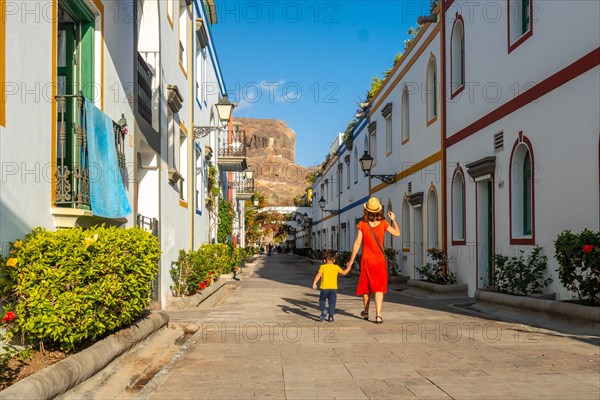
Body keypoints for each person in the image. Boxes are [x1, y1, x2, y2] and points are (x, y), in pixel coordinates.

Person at [346, 197, 400, 324]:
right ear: (379, 210)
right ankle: (378, 316)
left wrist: (351, 260)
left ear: (367, 210)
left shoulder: (362, 224)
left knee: (367, 287)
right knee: (379, 288)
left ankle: (366, 312)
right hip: (380, 261)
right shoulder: (384, 223)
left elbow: (357, 243)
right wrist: (394, 220)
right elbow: (397, 233)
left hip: (366, 260)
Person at [312, 250, 352, 322]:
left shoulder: (322, 267)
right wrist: (348, 267)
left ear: (324, 260)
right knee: (332, 303)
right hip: (333, 289)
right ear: (334, 260)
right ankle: (331, 317)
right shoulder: (336, 267)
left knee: (322, 301)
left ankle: (324, 310)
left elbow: (318, 275)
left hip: (324, 288)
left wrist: (314, 283)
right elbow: (344, 273)